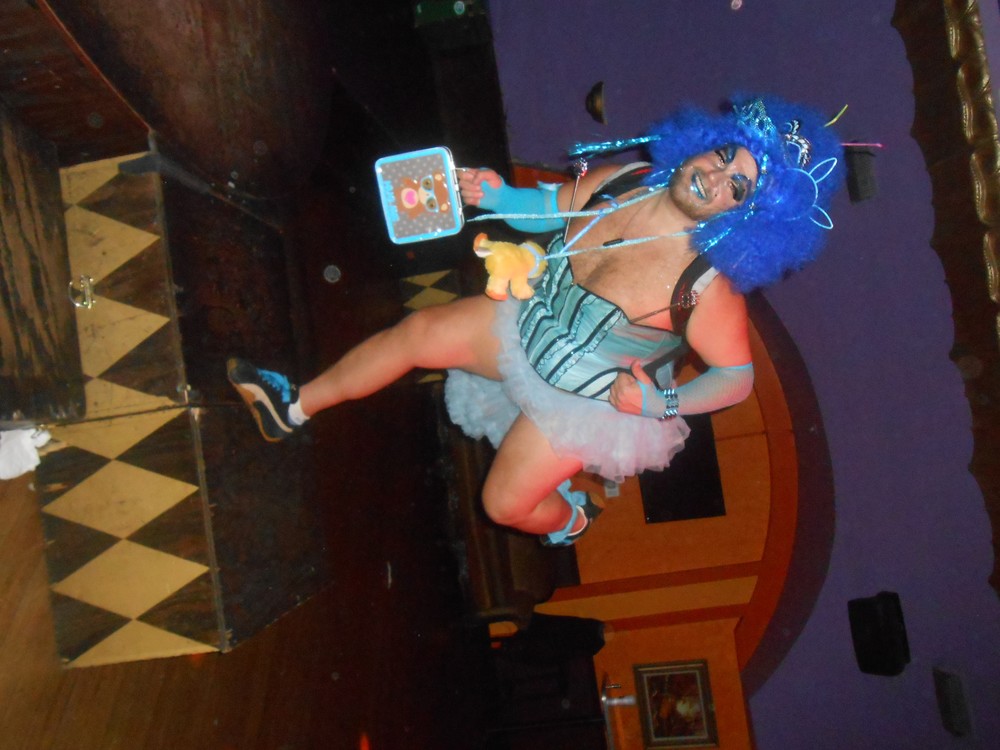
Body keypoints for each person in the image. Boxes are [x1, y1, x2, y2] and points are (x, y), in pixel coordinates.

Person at [227, 93, 844, 547]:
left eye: (739, 187)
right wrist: (498, 196)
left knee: (502, 504)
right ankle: (292, 407)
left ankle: (569, 519)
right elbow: (550, 208)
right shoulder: (627, 179)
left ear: (749, 216)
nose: (715, 177)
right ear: (706, 141)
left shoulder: (708, 289)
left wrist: (661, 404)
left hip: (587, 399)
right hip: (528, 322)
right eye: (725, 156)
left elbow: (737, 378)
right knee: (417, 334)